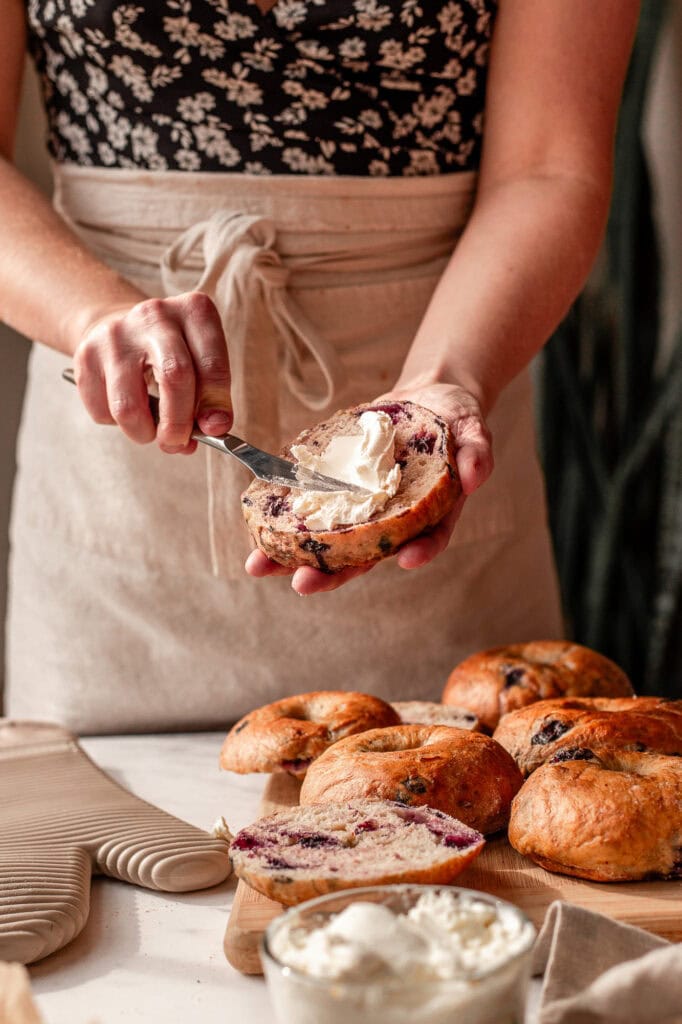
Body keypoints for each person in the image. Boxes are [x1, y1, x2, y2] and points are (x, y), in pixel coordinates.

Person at [2, 0, 640, 733]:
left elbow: (549, 168)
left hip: (442, 404)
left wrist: (448, 380)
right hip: (115, 485)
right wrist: (94, 316)